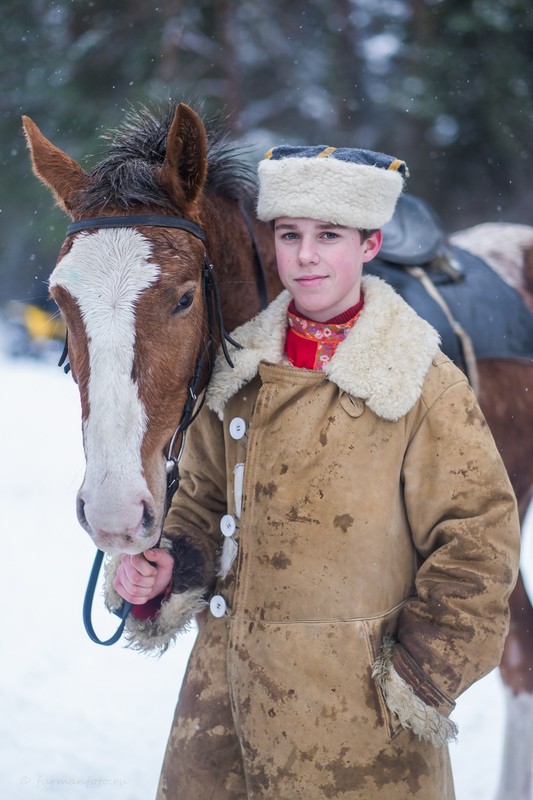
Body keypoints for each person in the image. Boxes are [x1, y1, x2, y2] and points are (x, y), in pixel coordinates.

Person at [107, 145, 520, 799]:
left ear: (369, 243)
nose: (304, 255)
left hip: (359, 732)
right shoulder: (235, 371)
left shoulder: (418, 379)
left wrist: (418, 678)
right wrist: (170, 563)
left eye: (329, 236)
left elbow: (478, 538)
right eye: (290, 234)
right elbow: (204, 500)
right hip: (217, 716)